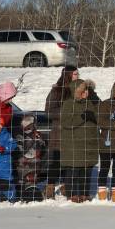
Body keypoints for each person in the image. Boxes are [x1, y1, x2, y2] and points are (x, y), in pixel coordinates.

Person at [59, 78, 99, 203]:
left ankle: (84, 193)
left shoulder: (90, 103)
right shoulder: (68, 103)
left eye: (86, 90)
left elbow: (100, 116)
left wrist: (94, 116)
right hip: (74, 143)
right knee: (74, 170)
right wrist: (82, 117)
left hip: (89, 143)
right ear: (76, 91)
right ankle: (72, 193)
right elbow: (66, 122)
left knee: (86, 170)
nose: (85, 92)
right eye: (83, 90)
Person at [43, 65, 78, 199]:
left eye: (77, 74)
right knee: (56, 160)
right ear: (68, 75)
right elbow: (48, 111)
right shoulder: (56, 91)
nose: (77, 76)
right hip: (59, 131)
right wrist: (66, 113)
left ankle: (65, 186)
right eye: (75, 74)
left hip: (74, 132)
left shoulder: (79, 89)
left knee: (69, 161)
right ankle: (50, 187)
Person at [15, 114, 47, 203]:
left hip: (35, 162)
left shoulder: (37, 134)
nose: (28, 127)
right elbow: (19, 149)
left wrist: (39, 141)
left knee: (32, 179)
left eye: (30, 124)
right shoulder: (20, 135)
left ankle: (32, 194)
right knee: (21, 180)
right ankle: (21, 194)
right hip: (22, 163)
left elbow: (43, 146)